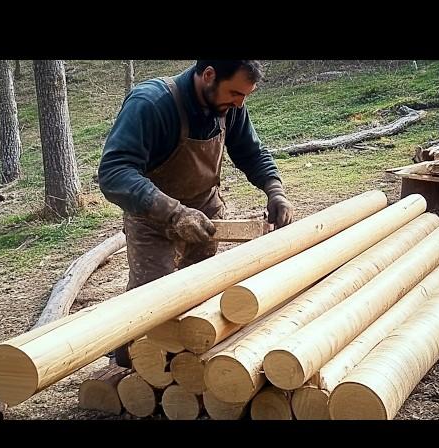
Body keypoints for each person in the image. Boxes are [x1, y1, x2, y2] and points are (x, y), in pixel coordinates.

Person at [98, 60, 294, 367]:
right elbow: (113, 173)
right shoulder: (150, 104)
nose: (240, 103)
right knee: (153, 309)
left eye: (245, 95)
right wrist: (174, 213)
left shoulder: (230, 105)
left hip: (205, 213)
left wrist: (275, 190)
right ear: (209, 75)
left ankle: (191, 368)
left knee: (200, 300)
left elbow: (251, 152)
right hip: (153, 217)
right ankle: (129, 363)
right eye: (235, 93)